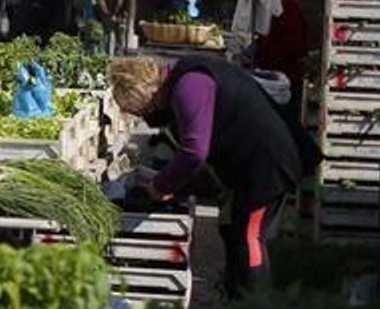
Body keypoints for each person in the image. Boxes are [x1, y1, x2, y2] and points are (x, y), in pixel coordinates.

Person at [110, 56, 304, 296]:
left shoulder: (189, 85)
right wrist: (177, 184)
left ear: (149, 93)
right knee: (232, 228)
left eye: (144, 109)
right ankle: (235, 298)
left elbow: (194, 152)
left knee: (249, 236)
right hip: (250, 163)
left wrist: (157, 188)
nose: (149, 115)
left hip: (267, 164)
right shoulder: (182, 79)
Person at [251, 0, 311, 115]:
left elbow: (297, 46)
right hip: (269, 79)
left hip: (282, 83)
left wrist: (262, 48)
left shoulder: (288, 8)